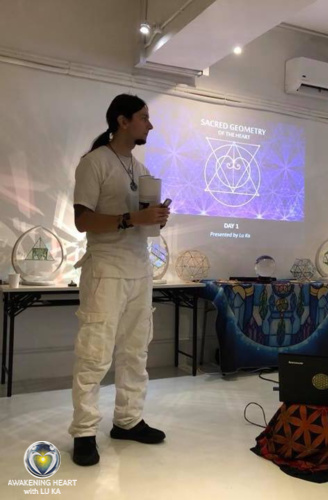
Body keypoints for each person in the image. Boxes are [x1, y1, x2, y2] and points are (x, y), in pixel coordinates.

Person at [69, 94, 170, 466]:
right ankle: (84, 431)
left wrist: (156, 218)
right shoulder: (94, 162)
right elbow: (83, 221)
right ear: (122, 121)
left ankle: (128, 420)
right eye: (144, 117)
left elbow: (140, 222)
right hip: (106, 270)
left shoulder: (139, 168)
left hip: (139, 268)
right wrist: (131, 219)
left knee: (135, 350)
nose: (150, 124)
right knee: (94, 353)